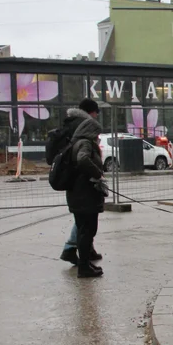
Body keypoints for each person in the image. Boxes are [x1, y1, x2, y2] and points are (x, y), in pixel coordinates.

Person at [56, 99, 104, 268]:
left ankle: (84, 255)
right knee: (86, 227)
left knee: (84, 225)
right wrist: (97, 173)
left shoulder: (71, 125)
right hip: (82, 188)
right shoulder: (83, 136)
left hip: (76, 186)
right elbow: (82, 159)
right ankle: (76, 254)